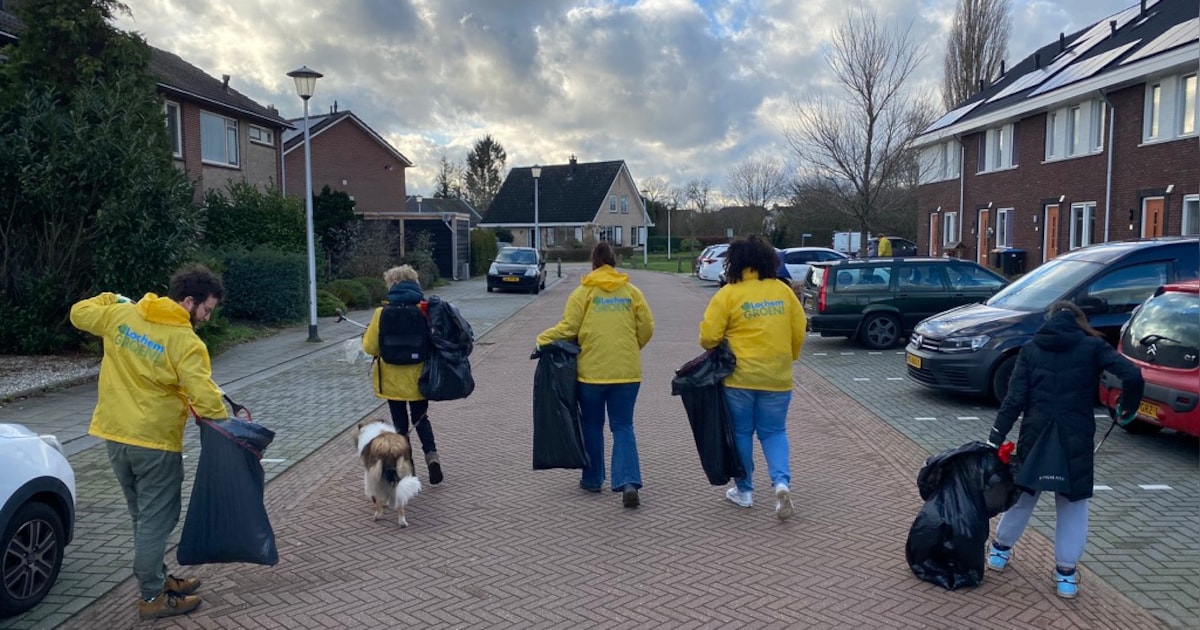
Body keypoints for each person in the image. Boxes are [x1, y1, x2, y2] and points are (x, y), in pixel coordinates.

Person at [70, 264, 228, 620]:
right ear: (189, 301)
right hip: (155, 443)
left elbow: (79, 313)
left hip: (114, 436)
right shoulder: (186, 341)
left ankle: (157, 578)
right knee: (157, 519)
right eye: (206, 309)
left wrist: (111, 297)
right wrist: (228, 430)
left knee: (142, 517)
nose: (207, 316)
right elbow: (204, 396)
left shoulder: (122, 314)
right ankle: (152, 597)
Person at [985, 301, 1144, 599]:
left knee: (1024, 496)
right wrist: (1127, 409)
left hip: (1036, 433)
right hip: (1076, 435)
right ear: (1080, 320)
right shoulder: (1092, 346)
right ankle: (1066, 576)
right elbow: (1133, 376)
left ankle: (999, 553)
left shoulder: (1031, 348)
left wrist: (996, 436)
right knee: (1073, 504)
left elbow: (1014, 398)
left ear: (1048, 319)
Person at [536, 241, 654, 508]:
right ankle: (629, 482)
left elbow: (568, 328)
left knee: (592, 425)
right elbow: (647, 325)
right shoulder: (631, 292)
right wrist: (633, 347)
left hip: (592, 374)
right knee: (623, 425)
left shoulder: (583, 293)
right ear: (614, 263)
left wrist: (542, 339)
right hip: (627, 372)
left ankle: (592, 479)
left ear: (593, 264)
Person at [699, 235, 807, 520]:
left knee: (742, 432)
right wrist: (790, 355)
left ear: (734, 263)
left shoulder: (728, 295)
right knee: (774, 432)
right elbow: (799, 329)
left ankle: (744, 491)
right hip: (777, 376)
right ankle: (781, 483)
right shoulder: (783, 292)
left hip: (739, 377)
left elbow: (708, 337)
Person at [363, 264, 443, 484]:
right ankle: (432, 457)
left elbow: (370, 347)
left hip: (391, 381)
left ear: (392, 284)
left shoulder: (381, 313)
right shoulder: (424, 310)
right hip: (419, 378)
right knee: (421, 419)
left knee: (400, 425)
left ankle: (407, 465)